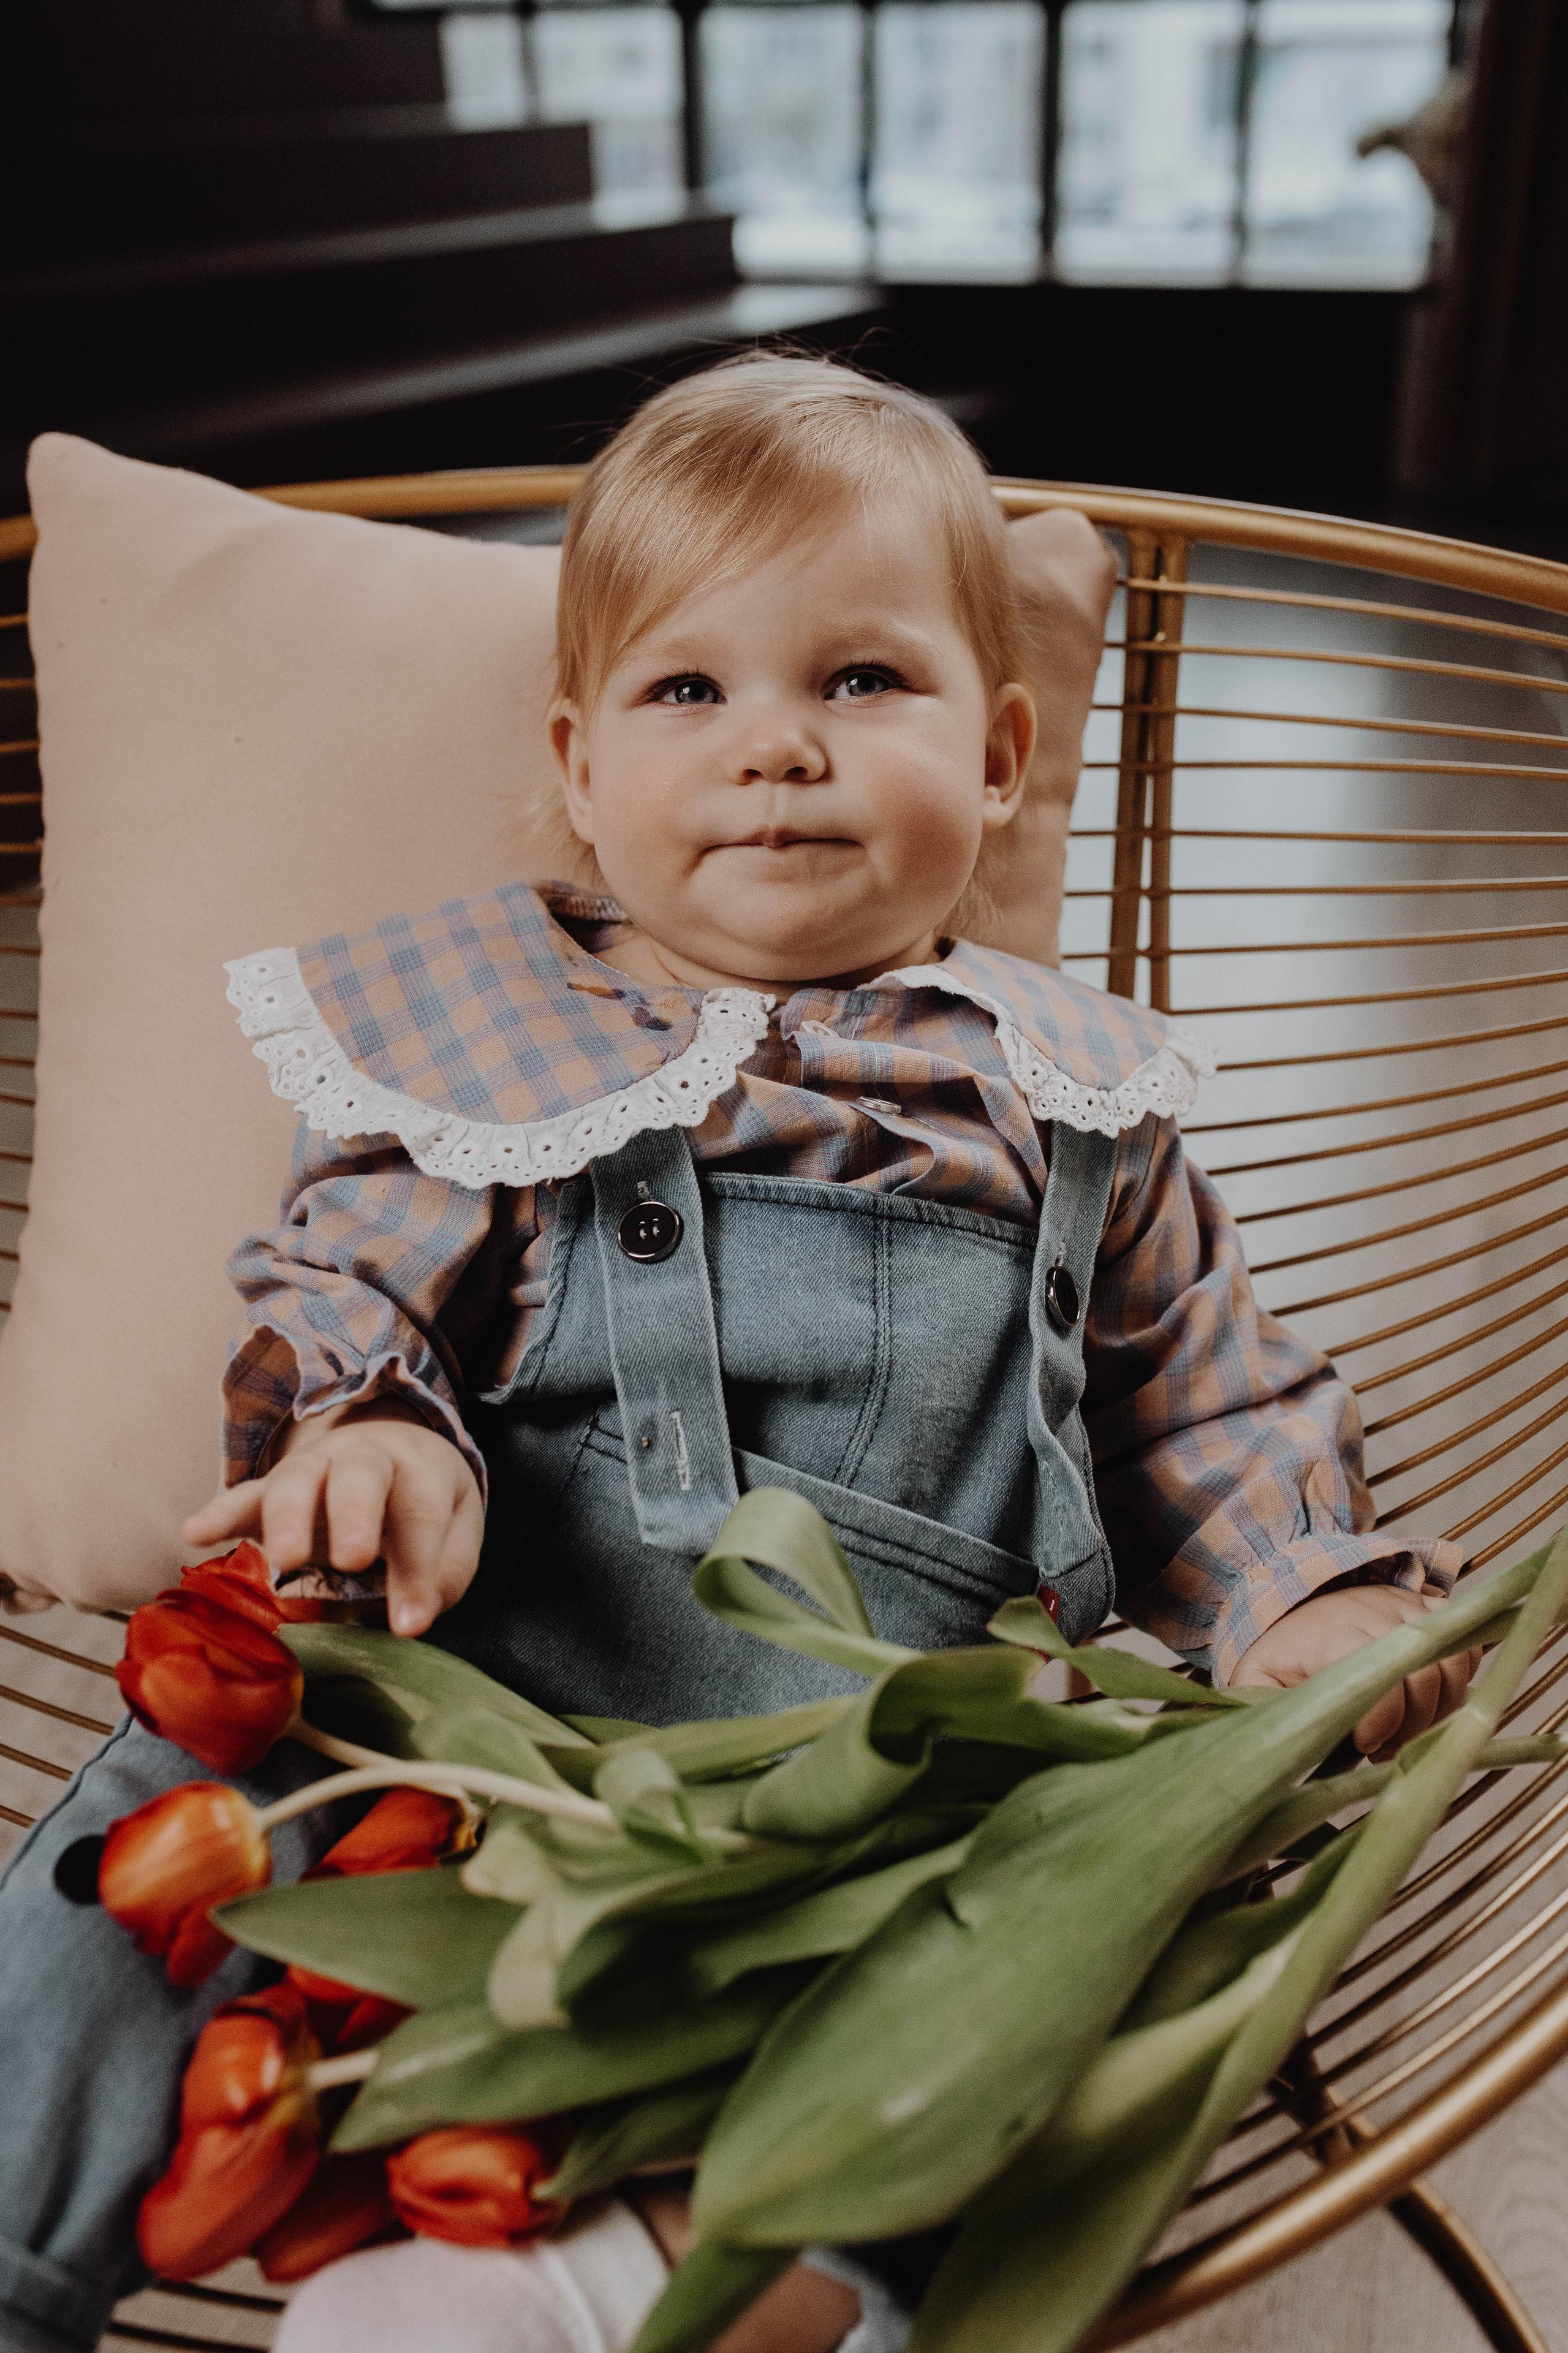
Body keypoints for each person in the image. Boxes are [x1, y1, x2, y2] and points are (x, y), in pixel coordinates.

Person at [0, 357, 1471, 2353]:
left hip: (868, 1770)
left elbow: (1205, 1384)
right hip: (469, 1694)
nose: (775, 749)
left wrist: (1307, 1593)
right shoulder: (491, 1040)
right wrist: (377, 1438)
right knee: (165, 1817)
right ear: (582, 768)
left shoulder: (1068, 1099)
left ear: (1006, 750)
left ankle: (656, 2284)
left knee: (977, 2002)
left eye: (862, 682)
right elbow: (347, 1285)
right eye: (691, 692)